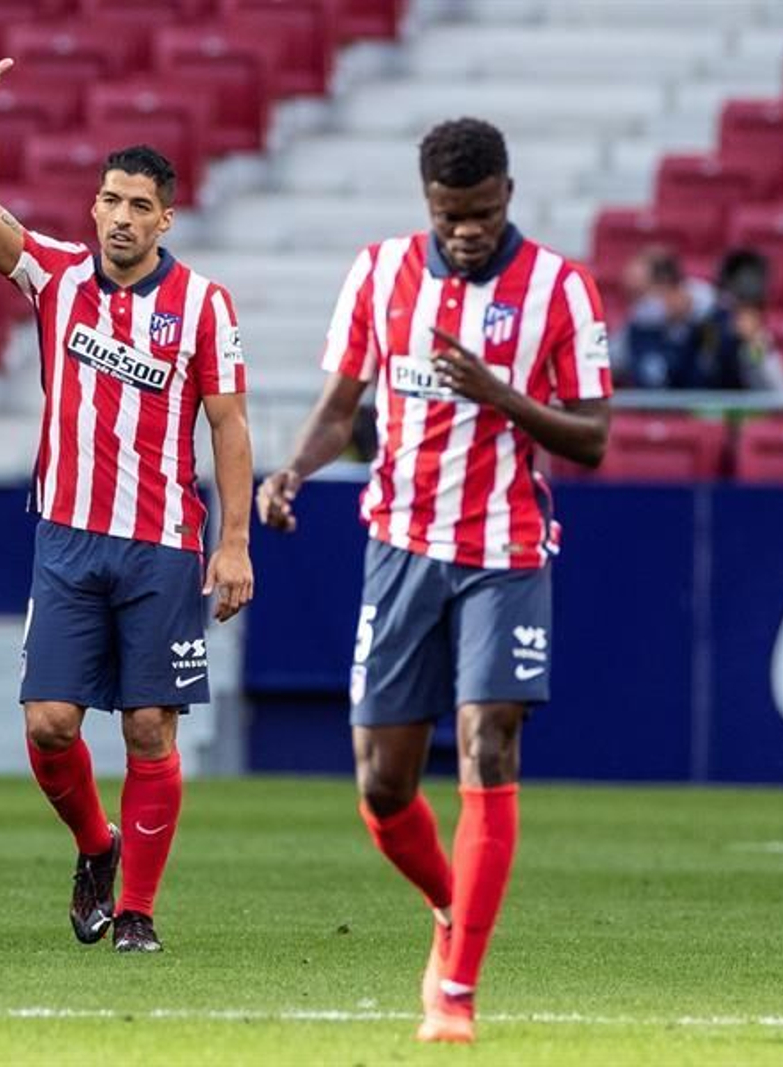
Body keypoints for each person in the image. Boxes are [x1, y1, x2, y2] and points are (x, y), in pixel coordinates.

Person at [257, 118, 611, 1043]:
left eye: (482, 213)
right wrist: (294, 470)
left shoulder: (561, 289)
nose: (465, 231)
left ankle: (457, 989)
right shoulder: (379, 274)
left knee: (488, 744)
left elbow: (594, 438)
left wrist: (499, 393)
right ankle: (454, 908)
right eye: (449, 216)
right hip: (401, 545)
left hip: (507, 548)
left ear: (509, 192)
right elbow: (342, 407)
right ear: (428, 203)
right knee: (382, 783)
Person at [0, 55, 255, 953]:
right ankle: (95, 846)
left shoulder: (201, 304)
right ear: (94, 208)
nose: (119, 218)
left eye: (137, 205)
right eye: (108, 200)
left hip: (160, 543)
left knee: (149, 726)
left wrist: (233, 544)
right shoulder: (56, 277)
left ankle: (141, 912)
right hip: (68, 537)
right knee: (48, 727)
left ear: (166, 217)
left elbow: (229, 425)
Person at [616, 246, 783, 392]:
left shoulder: (726, 318)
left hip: (716, 428)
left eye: (640, 295)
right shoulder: (638, 327)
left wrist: (754, 342)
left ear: (667, 286)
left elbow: (779, 392)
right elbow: (604, 366)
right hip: (662, 428)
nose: (637, 305)